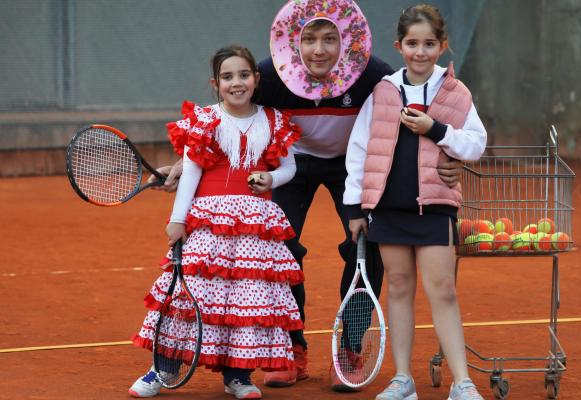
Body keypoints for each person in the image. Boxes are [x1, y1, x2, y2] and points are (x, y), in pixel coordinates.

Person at [151, 0, 464, 392]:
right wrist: (182, 166)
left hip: (353, 165)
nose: (319, 50)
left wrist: (453, 159)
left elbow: (434, 118)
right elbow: (225, 111)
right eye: (310, 39)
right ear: (292, 41)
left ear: (345, 40)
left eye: (330, 39)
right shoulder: (268, 73)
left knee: (366, 248)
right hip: (289, 165)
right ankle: (290, 350)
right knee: (278, 251)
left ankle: (349, 348)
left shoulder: (373, 75)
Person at [128, 44, 304, 400]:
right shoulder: (205, 120)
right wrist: (178, 220)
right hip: (208, 221)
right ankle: (162, 370)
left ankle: (237, 376)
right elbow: (191, 170)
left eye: (243, 75)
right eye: (227, 77)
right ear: (215, 83)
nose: (236, 83)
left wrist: (273, 179)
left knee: (247, 300)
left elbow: (289, 167)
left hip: (256, 224)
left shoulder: (273, 120)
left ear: (256, 79)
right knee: (188, 295)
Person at [343, 4, 487, 400]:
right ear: (399, 46)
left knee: (442, 289)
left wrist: (436, 129)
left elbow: (476, 143)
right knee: (400, 286)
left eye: (428, 44)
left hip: (435, 207)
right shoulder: (383, 91)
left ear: (442, 46)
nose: (420, 52)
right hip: (388, 208)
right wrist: (355, 207)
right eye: (411, 44)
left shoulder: (455, 93)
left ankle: (462, 382)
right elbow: (360, 150)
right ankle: (402, 379)